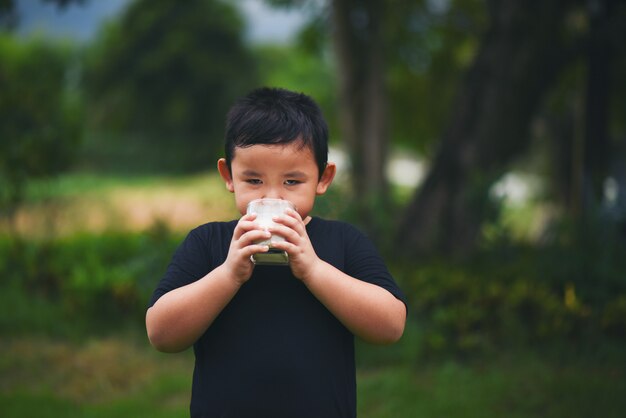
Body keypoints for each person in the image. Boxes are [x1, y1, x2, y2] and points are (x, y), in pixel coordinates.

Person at [146, 87, 407, 418]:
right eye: (253, 180)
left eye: (292, 182)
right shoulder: (208, 242)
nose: (273, 197)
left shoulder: (343, 241)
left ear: (323, 179)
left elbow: (390, 326)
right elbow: (161, 334)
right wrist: (228, 274)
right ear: (228, 176)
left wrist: (313, 269)